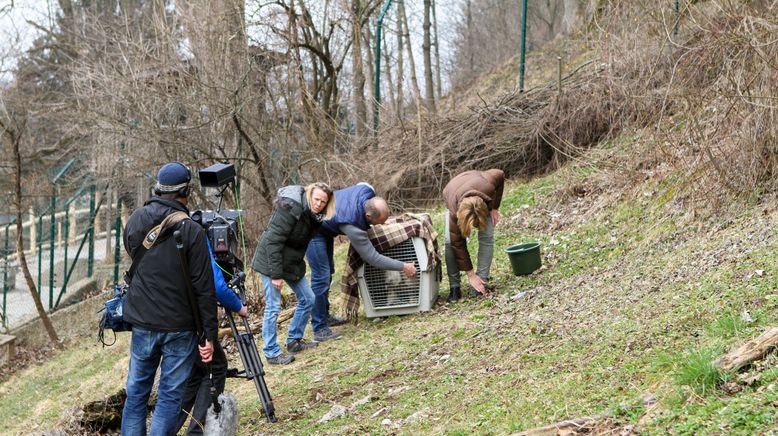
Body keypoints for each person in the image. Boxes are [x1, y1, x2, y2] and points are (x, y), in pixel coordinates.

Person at [121, 162, 218, 435]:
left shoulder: (136, 219)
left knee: (136, 394)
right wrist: (208, 335)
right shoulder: (192, 231)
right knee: (169, 397)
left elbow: (133, 254)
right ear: (185, 191)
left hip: (142, 322)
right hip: (179, 328)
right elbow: (204, 288)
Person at [306, 183, 417, 341]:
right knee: (321, 277)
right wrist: (403, 266)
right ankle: (319, 327)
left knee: (328, 272)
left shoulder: (368, 190)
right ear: (368, 217)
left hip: (327, 225)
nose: (381, 225)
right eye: (378, 223)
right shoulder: (353, 225)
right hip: (313, 230)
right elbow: (372, 257)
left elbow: (362, 184)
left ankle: (324, 315)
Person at [251, 182, 335, 365]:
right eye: (317, 199)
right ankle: (271, 352)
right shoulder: (291, 208)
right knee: (273, 306)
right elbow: (273, 241)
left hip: (290, 262)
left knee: (308, 298)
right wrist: (276, 275)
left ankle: (294, 340)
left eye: (323, 201)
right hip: (270, 261)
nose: (319, 203)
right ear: (309, 195)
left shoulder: (315, 217)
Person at [176, 239, 249, 435]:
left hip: (167, 316)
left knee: (195, 375)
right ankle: (197, 431)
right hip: (192, 318)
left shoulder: (155, 231)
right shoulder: (193, 233)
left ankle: (165, 429)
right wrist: (238, 306)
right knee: (216, 367)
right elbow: (216, 285)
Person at [443, 169, 505, 302]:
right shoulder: (455, 212)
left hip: (479, 192)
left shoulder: (488, 185)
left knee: (487, 236)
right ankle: (454, 287)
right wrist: (470, 275)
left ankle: (482, 280)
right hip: (453, 193)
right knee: (450, 243)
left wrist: (494, 207)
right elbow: (457, 244)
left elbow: (500, 174)